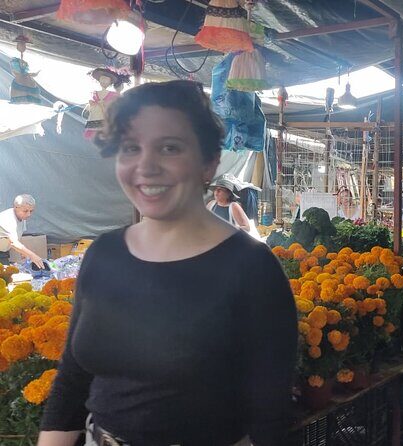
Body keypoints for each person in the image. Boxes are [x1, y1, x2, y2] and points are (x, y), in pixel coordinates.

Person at [38, 80, 297, 446]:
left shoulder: (251, 268)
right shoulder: (104, 254)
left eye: (169, 148)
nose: (146, 166)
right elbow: (72, 380)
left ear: (209, 162)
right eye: (131, 148)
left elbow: (270, 416)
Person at [0, 194, 44, 269]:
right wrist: (33, 256)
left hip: (3, 253)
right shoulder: (7, 219)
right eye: (25, 211)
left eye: (31, 211)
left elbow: (17, 237)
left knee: (6, 272)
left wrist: (23, 252)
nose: (29, 214)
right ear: (16, 207)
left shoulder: (22, 218)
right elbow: (14, 243)